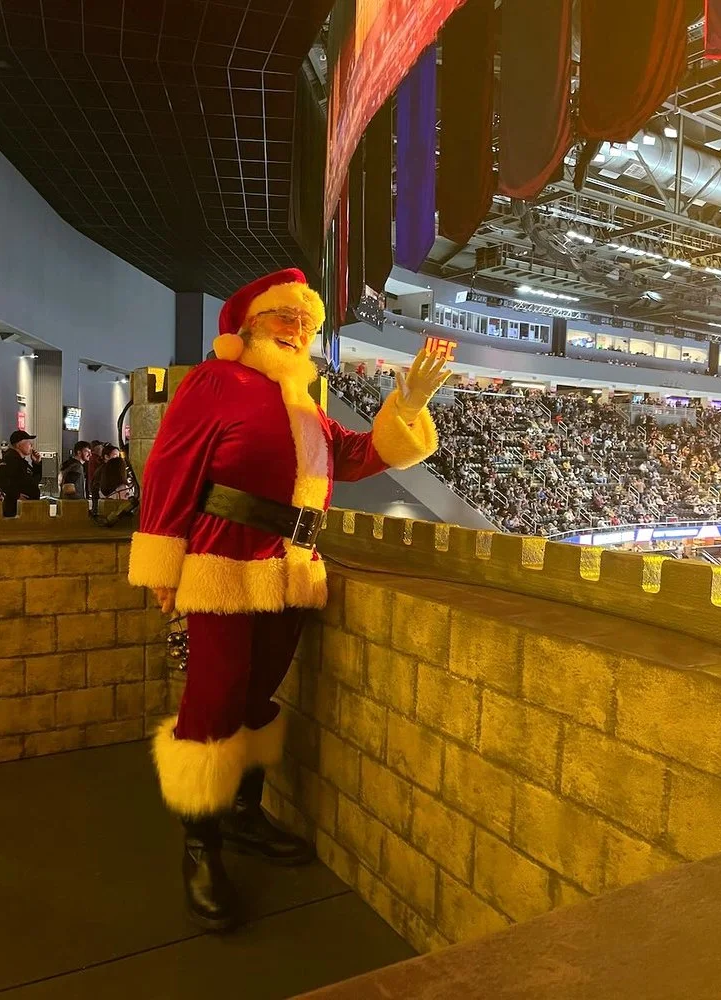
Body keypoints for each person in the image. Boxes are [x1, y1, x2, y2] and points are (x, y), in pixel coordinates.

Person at [128, 268, 449, 930]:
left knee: (257, 694)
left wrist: (409, 407)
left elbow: (355, 458)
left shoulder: (305, 403)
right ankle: (199, 844)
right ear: (250, 325)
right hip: (222, 559)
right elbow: (169, 465)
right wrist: (164, 556)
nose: (299, 331)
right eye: (287, 320)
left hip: (290, 565)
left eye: (306, 323)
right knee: (213, 699)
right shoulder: (217, 382)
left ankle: (244, 817)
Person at [0, 430, 43, 517]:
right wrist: (15, 494)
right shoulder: (10, 458)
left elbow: (35, 480)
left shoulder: (21, 461)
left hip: (26, 508)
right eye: (28, 443)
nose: (31, 446)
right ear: (19, 445)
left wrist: (37, 463)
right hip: (15, 509)